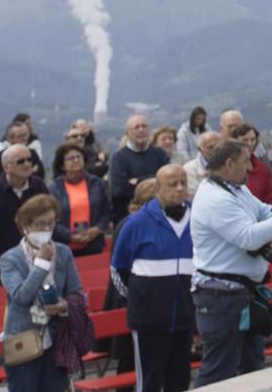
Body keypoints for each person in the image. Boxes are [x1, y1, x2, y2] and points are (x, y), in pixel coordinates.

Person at [189, 138, 272, 385]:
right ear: (229, 163)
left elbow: (264, 213)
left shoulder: (235, 188)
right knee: (219, 370)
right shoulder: (215, 198)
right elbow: (249, 238)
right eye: (246, 162)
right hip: (221, 297)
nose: (250, 168)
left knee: (252, 366)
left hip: (243, 294)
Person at [109, 165, 194, 392]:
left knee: (180, 381)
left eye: (183, 182)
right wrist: (141, 297)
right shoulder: (137, 223)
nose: (179, 188)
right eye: (172, 184)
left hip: (185, 318)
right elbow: (118, 269)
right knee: (150, 382)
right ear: (157, 189)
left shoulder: (197, 218)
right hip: (150, 321)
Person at [0, 193, 83, 392]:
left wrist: (63, 305)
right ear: (25, 226)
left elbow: (76, 293)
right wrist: (42, 264)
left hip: (57, 339)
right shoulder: (10, 259)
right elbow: (21, 296)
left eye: (50, 224)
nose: (46, 230)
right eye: (40, 224)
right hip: (23, 340)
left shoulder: (63, 252)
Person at [0, 146, 58, 289]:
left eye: (29, 159)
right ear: (6, 167)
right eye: (21, 161)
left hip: (38, 265)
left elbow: (51, 218)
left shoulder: (39, 187)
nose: (27, 164)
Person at [47, 143, 108, 258]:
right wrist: (70, 235)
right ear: (62, 165)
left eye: (79, 157)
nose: (76, 160)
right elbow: (50, 220)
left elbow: (106, 211)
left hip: (93, 244)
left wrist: (97, 228)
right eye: (71, 158)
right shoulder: (54, 189)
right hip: (64, 248)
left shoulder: (97, 183)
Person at [108, 118, 170, 224]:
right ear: (127, 133)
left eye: (144, 126)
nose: (141, 130)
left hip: (160, 215)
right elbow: (119, 190)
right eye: (136, 127)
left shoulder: (160, 154)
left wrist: (138, 181)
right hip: (128, 218)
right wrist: (154, 181)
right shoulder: (119, 158)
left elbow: (168, 182)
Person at [235, 128, 272, 207]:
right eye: (245, 140)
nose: (249, 144)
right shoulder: (231, 169)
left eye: (252, 140)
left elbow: (271, 198)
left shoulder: (262, 169)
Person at [181, 134, 222, 200]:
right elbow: (194, 195)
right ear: (200, 149)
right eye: (211, 147)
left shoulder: (229, 165)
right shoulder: (189, 169)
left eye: (218, 147)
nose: (215, 150)